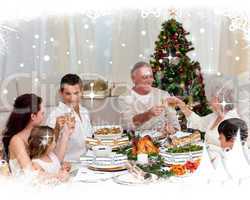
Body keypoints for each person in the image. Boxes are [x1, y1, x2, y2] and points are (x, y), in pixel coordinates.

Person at [1, 93, 72, 176]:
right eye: (42, 113)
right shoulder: (17, 140)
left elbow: (53, 159)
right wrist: (58, 175)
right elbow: (30, 173)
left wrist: (66, 132)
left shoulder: (37, 132)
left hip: (42, 183)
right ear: (33, 116)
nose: (43, 117)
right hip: (24, 186)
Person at [166, 84, 239, 147]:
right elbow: (199, 122)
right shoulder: (215, 116)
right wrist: (180, 104)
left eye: (211, 97)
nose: (208, 101)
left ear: (217, 99)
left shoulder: (234, 120)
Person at [119, 61, 180, 134]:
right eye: (145, 77)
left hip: (162, 141)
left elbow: (174, 122)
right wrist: (148, 114)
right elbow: (128, 125)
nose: (149, 81)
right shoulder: (124, 98)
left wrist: (173, 130)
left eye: (151, 76)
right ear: (133, 79)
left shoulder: (163, 95)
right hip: (137, 142)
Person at [46, 74, 92, 161]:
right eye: (68, 94)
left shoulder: (85, 111)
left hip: (87, 163)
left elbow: (88, 140)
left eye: (76, 93)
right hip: (67, 166)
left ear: (81, 91)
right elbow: (46, 148)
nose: (72, 98)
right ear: (61, 92)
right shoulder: (55, 115)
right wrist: (57, 129)